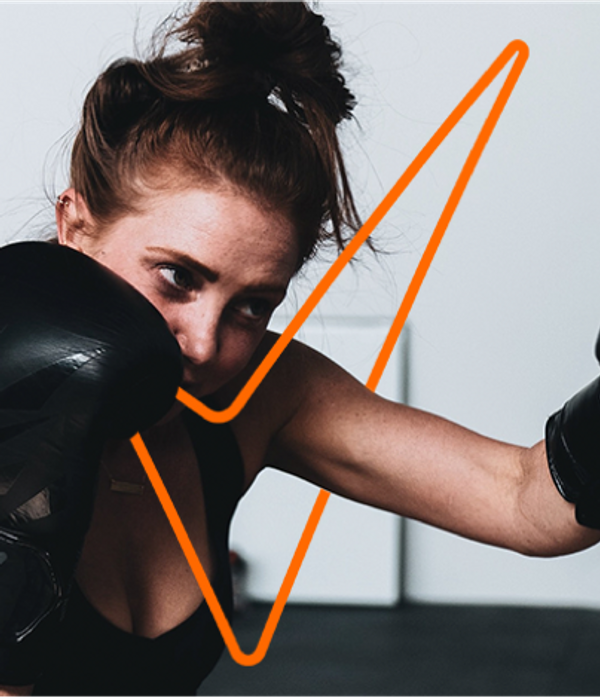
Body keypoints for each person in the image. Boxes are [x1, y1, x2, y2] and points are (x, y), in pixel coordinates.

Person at [0, 0, 600, 695]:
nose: (203, 343)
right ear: (74, 225)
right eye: (176, 276)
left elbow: (525, 500)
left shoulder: (256, 393)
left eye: (253, 305)